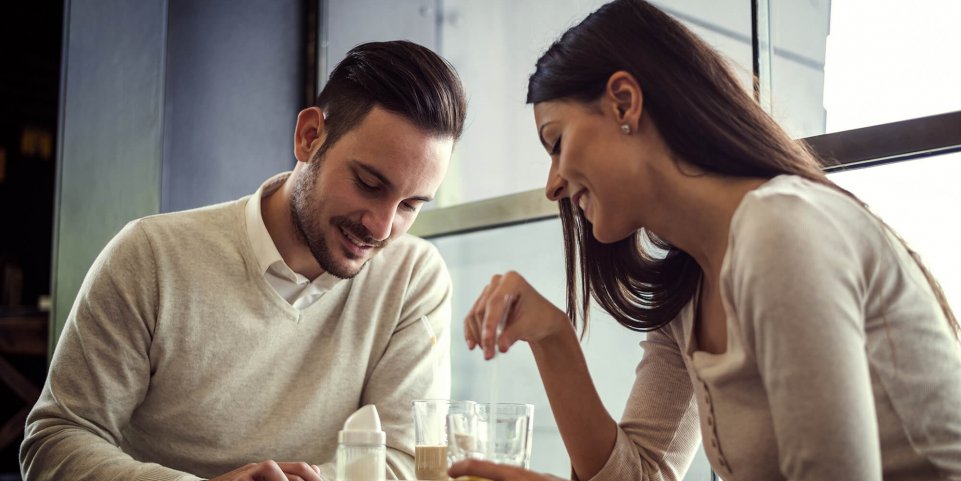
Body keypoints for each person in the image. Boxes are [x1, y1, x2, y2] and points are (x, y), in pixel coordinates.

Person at [451, 1, 961, 480]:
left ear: (624, 102)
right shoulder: (690, 292)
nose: (552, 184)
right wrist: (553, 337)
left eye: (556, 142)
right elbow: (644, 472)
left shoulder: (780, 231)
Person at [20, 40, 467, 481]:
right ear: (310, 137)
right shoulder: (151, 256)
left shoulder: (412, 278)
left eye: (411, 205)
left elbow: (407, 460)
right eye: (369, 183)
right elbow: (56, 439)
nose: (382, 226)